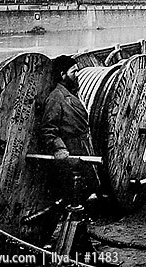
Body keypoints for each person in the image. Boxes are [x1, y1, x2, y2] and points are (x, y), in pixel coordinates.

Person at [40, 55, 97, 203]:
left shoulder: (70, 94)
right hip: (70, 149)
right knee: (73, 191)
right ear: (62, 74)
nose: (77, 75)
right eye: (74, 72)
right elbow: (48, 128)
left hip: (82, 146)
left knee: (85, 189)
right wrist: (59, 149)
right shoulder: (56, 97)